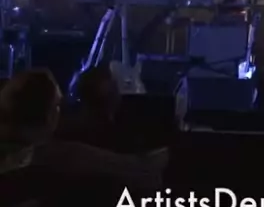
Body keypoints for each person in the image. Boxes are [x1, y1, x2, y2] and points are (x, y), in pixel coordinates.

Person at [0, 69, 165, 186]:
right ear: (50, 114)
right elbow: (141, 170)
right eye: (58, 105)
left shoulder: (17, 155)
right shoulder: (64, 155)